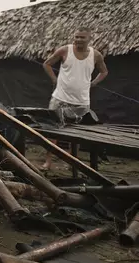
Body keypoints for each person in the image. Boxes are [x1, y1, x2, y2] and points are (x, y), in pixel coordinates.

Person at [41, 28, 108, 170]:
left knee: (76, 133)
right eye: (76, 36)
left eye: (82, 37)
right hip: (60, 98)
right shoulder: (65, 50)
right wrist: (54, 79)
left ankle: (72, 161)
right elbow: (47, 63)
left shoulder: (95, 55)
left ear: (89, 38)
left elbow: (104, 71)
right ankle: (48, 161)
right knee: (52, 130)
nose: (78, 40)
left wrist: (94, 83)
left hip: (81, 101)